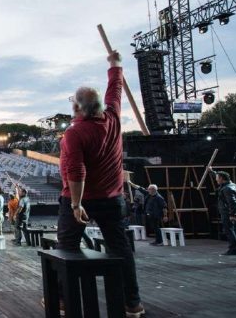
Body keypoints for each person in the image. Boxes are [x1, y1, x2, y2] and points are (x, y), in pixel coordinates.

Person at [56, 51, 144, 317]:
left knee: (66, 248)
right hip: (113, 198)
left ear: (78, 108)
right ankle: (133, 303)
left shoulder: (75, 133)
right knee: (120, 249)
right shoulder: (113, 118)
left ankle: (61, 300)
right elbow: (115, 89)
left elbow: (77, 171)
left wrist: (75, 203)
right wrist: (115, 64)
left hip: (82, 199)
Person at [210, 169, 236, 255]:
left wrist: (232, 214)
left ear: (221, 178)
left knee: (229, 230)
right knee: (235, 230)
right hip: (231, 212)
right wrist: (212, 171)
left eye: (217, 178)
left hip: (228, 213)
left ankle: (233, 250)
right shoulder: (231, 184)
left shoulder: (227, 188)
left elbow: (232, 202)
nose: (216, 179)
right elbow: (220, 177)